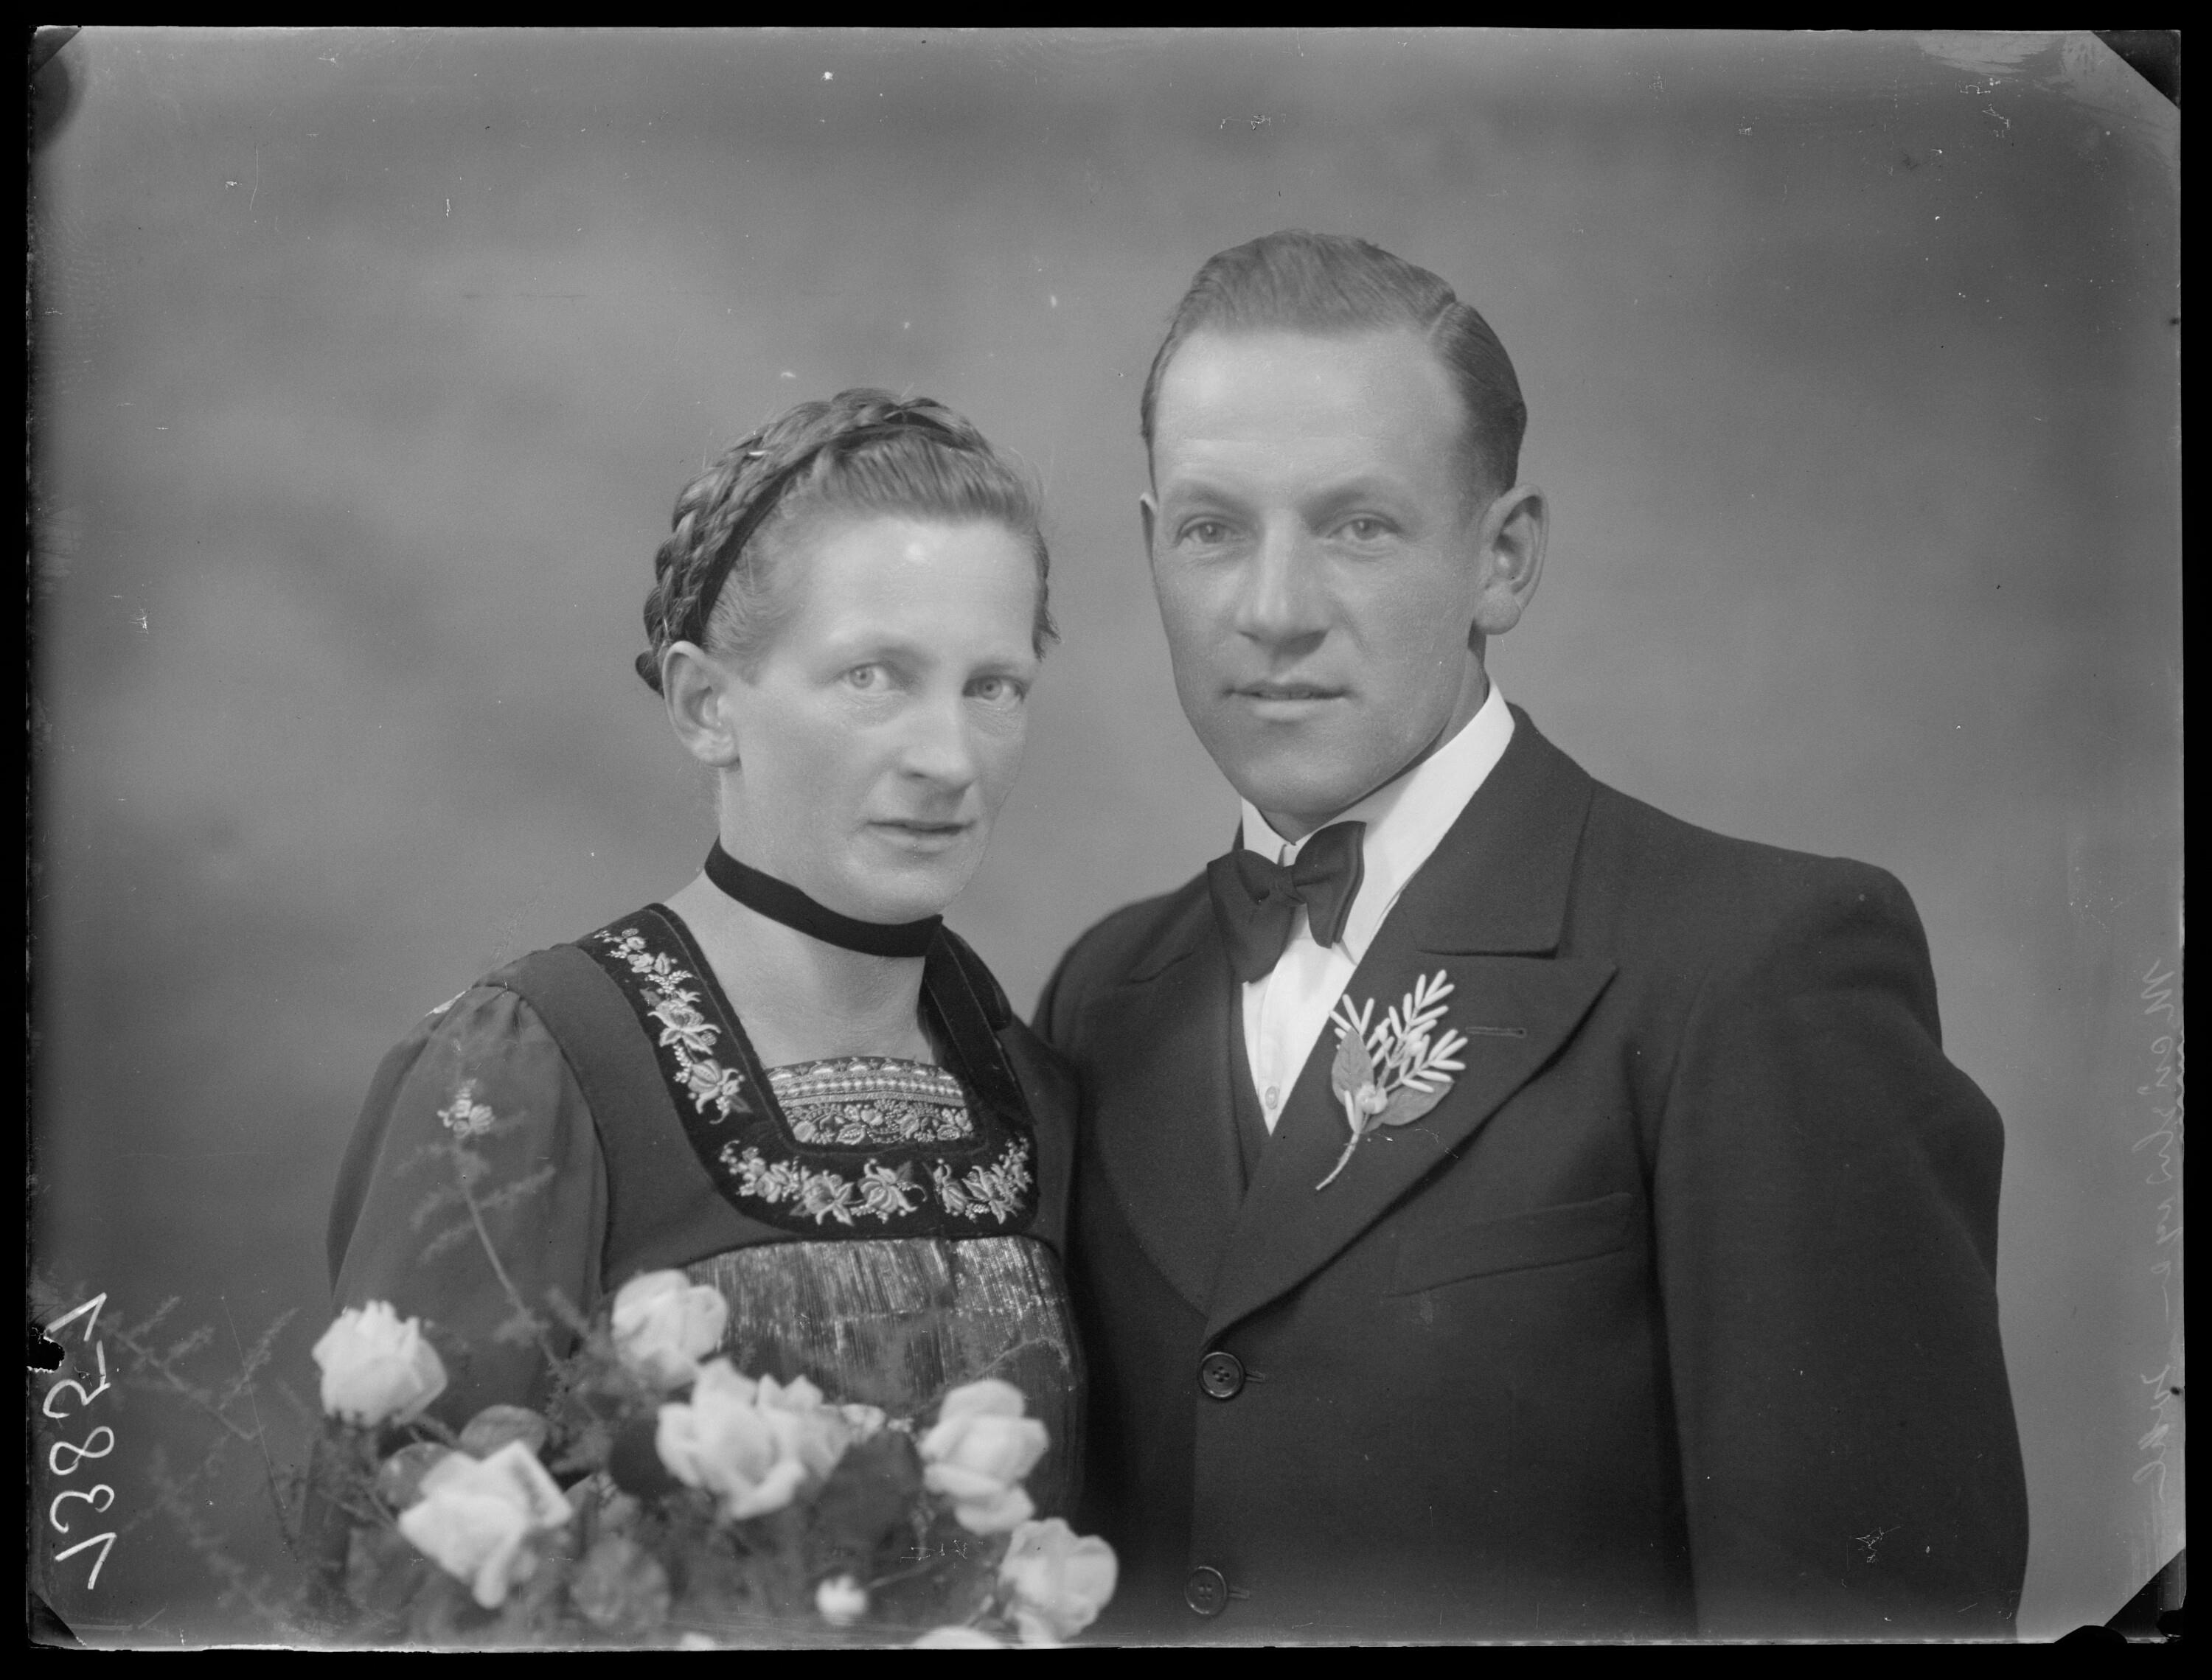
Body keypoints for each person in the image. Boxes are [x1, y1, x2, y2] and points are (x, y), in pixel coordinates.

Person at [1036, 231, 2030, 1642]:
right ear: (1151, 548)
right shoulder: (1107, 992)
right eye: (1212, 529)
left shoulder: (1755, 965)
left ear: (1503, 560)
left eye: (1357, 526)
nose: (1271, 611)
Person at [328, 390, 1083, 1505]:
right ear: (704, 705)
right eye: (873, 676)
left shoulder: (1035, 1090)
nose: (949, 758)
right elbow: (393, 1552)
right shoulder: (532, 1069)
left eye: (993, 687)